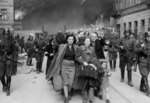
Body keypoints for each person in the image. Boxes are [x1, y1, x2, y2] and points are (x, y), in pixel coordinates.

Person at [47, 34, 78, 103]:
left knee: (71, 82)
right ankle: (66, 97)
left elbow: (78, 56)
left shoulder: (76, 47)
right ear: (67, 40)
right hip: (64, 66)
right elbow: (58, 56)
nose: (71, 41)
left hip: (72, 66)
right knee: (65, 82)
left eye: (72, 39)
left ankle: (68, 92)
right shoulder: (61, 46)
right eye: (69, 39)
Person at [75, 37, 104, 103]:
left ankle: (91, 99)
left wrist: (93, 63)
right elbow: (76, 57)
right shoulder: (79, 48)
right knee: (85, 82)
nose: (88, 42)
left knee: (91, 82)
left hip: (91, 67)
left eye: (89, 41)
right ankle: (85, 98)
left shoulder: (92, 48)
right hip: (84, 67)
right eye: (86, 41)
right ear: (84, 41)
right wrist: (83, 62)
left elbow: (95, 57)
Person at [135, 32, 150, 96]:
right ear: (145, 37)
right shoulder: (141, 42)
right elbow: (135, 50)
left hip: (149, 61)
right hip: (142, 60)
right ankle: (148, 90)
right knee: (144, 74)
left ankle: (141, 87)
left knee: (145, 74)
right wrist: (141, 47)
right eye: (148, 37)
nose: (149, 38)